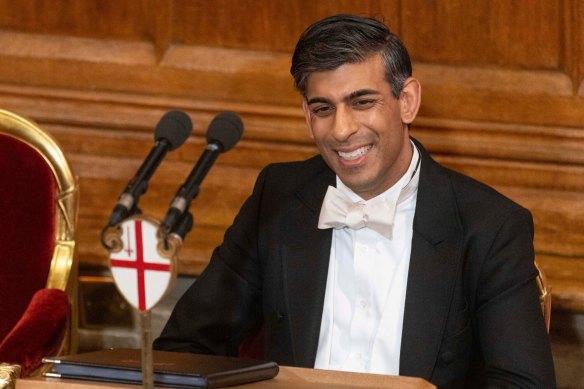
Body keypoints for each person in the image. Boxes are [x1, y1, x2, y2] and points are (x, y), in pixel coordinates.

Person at [154, 14, 556, 388]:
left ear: (408, 101)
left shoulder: (490, 225)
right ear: (307, 116)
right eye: (322, 108)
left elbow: (523, 384)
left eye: (362, 102)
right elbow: (184, 348)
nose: (342, 130)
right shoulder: (277, 197)